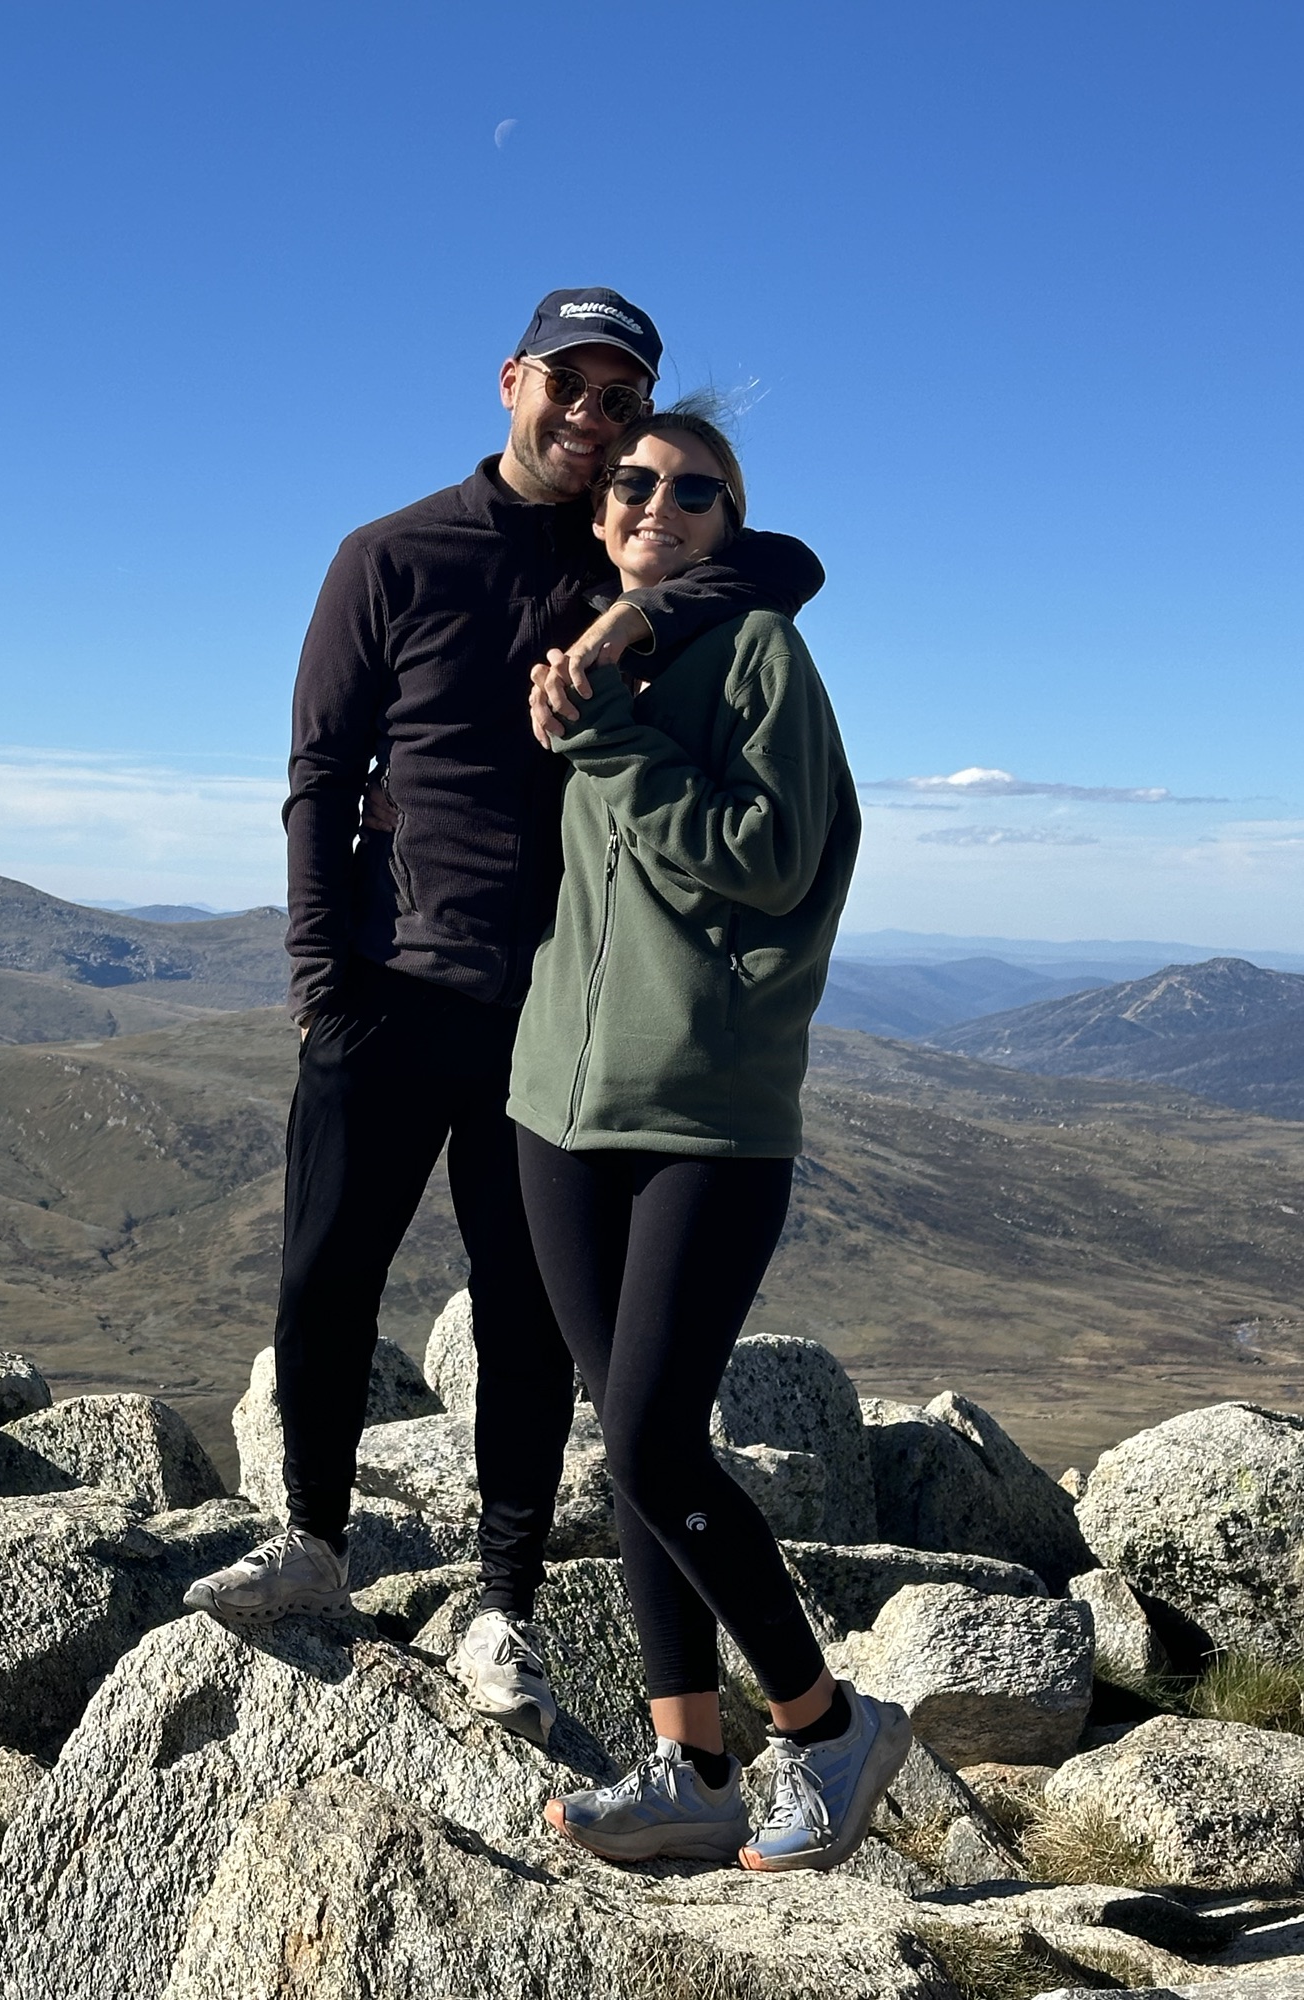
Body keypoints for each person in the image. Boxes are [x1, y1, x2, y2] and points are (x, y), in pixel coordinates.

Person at [184, 290, 826, 1752]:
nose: (597, 424)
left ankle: (503, 1608)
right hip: (389, 988)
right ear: (511, 383)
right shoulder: (391, 555)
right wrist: (316, 976)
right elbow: (319, 773)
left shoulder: (620, 559)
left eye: (623, 401)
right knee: (325, 1280)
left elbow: (784, 558)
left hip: (552, 1021)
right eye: (574, 390)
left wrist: (648, 603)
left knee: (524, 1317)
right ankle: (314, 1542)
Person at [508, 402, 910, 1869]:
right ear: (601, 506)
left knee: (663, 1436)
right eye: (634, 483)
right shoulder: (593, 649)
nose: (658, 502)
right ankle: (690, 1764)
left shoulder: (756, 656)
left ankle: (825, 1728)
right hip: (559, 1103)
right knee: (627, 1445)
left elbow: (767, 859)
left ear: (727, 522)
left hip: (707, 1113)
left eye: (696, 490)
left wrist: (609, 746)